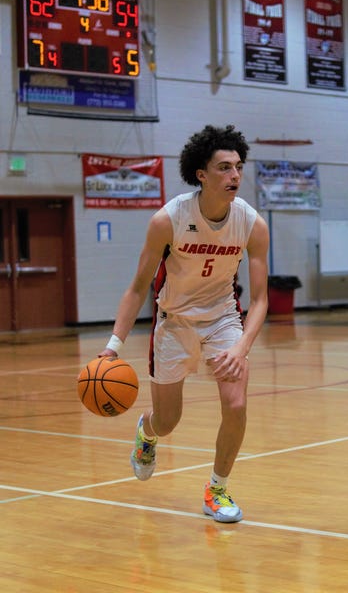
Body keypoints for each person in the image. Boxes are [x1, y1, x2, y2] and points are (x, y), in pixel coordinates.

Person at [99, 125, 270, 523]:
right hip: (174, 323)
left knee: (237, 404)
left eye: (239, 167)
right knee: (168, 421)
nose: (235, 176)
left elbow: (260, 299)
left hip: (224, 319)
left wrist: (241, 347)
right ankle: (147, 431)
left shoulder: (252, 224)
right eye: (224, 168)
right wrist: (113, 346)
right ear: (201, 174)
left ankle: (217, 489)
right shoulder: (169, 219)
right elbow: (138, 286)